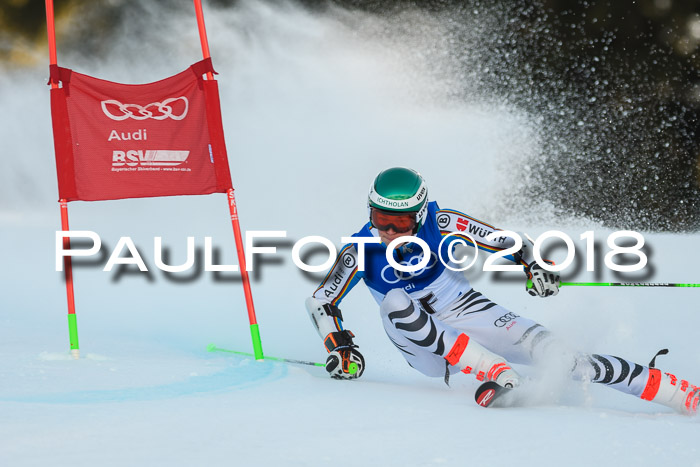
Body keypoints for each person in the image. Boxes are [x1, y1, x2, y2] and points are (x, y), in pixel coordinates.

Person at [305, 166, 699, 414]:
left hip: (465, 309)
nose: (388, 231)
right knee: (394, 300)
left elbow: (507, 241)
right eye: (380, 218)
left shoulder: (442, 222)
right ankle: (499, 372)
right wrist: (340, 348)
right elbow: (321, 301)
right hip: (420, 343)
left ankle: (679, 394)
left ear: (420, 214)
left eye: (401, 222)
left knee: (560, 355)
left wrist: (535, 266)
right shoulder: (360, 249)